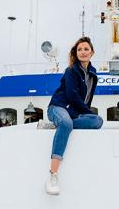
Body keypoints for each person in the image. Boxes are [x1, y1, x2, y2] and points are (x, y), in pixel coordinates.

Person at [45, 36, 103, 195]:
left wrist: (87, 112)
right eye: (80, 49)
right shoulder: (71, 71)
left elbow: (88, 97)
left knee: (97, 121)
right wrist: (86, 111)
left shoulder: (92, 73)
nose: (83, 52)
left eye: (86, 49)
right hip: (58, 106)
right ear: (76, 53)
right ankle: (53, 175)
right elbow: (72, 96)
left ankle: (61, 123)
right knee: (67, 124)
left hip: (72, 111)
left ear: (92, 52)